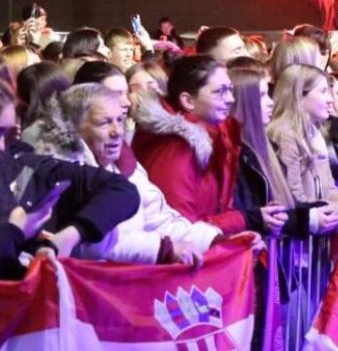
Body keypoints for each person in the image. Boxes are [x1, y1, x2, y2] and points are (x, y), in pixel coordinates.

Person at [37, 84, 220, 265]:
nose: (117, 132)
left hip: (129, 283)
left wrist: (212, 241)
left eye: (119, 120)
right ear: (74, 129)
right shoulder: (60, 173)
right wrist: (162, 249)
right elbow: (88, 245)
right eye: (105, 122)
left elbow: (159, 221)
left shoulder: (125, 164)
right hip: (89, 287)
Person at [0, 80, 140, 277]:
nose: (3, 146)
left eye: (7, 133)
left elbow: (123, 191)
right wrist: (16, 232)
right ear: (74, 126)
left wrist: (59, 240)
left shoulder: (25, 165)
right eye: (105, 122)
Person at [132, 55, 247, 236]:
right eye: (220, 91)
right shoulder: (176, 148)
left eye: (230, 90)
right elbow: (181, 227)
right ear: (188, 101)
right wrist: (243, 221)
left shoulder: (215, 135)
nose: (231, 99)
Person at [267, 64, 338, 204]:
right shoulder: (284, 135)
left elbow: (329, 190)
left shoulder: (315, 133)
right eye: (323, 91)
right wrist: (327, 212)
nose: (330, 99)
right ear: (299, 94)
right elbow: (294, 197)